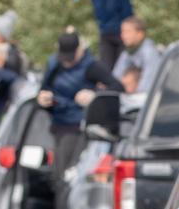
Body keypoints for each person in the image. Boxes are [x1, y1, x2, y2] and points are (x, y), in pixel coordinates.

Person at [36, 31, 125, 184]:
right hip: (57, 125)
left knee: (68, 177)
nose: (67, 62)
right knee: (57, 177)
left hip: (78, 127)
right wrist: (43, 99)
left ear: (80, 50)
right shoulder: (53, 64)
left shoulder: (91, 66)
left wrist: (95, 95)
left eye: (71, 58)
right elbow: (44, 89)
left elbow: (117, 87)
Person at [110, 16, 163, 94]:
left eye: (127, 32)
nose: (123, 35)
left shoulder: (150, 53)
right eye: (122, 32)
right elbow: (115, 78)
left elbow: (146, 87)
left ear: (140, 34)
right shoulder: (126, 53)